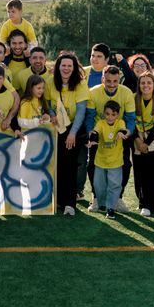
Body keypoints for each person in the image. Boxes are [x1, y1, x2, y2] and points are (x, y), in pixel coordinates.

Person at [85, 65, 136, 212]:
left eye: (115, 81)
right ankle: (96, 198)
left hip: (119, 134)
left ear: (119, 79)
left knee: (125, 165)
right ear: (102, 79)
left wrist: (127, 132)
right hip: (99, 134)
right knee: (92, 165)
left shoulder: (126, 93)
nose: (112, 85)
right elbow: (90, 117)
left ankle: (118, 198)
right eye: (108, 81)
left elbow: (130, 118)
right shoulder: (93, 92)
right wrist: (91, 134)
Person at [52, 51, 89, 216]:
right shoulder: (50, 82)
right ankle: (59, 201)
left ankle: (70, 204)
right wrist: (52, 115)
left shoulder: (80, 84)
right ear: (58, 66)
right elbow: (46, 102)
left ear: (74, 68)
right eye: (63, 65)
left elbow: (81, 111)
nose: (66, 68)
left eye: (69, 66)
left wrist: (72, 133)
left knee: (70, 166)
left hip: (74, 128)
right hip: (57, 127)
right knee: (58, 164)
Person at [132, 71, 154, 217]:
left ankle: (151, 203)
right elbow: (129, 122)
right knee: (139, 172)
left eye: (149, 83)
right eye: (142, 83)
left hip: (153, 138)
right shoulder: (133, 98)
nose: (145, 86)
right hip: (136, 138)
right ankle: (142, 202)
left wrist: (146, 143)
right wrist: (138, 141)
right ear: (139, 85)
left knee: (152, 173)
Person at [88, 100, 127, 219]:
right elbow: (95, 131)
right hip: (101, 160)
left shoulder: (120, 122)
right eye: (107, 114)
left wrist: (121, 133)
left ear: (118, 115)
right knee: (98, 184)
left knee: (114, 185)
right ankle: (102, 203)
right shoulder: (101, 123)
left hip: (115, 161)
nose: (110, 117)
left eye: (113, 114)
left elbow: (122, 129)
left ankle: (111, 208)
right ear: (104, 113)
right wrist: (92, 139)